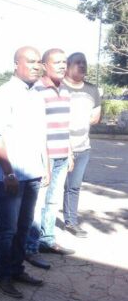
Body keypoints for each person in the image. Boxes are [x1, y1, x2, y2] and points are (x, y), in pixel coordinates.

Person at [0, 46, 48, 299]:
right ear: (16, 64)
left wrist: (43, 166)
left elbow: (39, 134)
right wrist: (8, 173)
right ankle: (3, 276)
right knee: (7, 229)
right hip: (10, 177)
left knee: (24, 226)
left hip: (32, 173)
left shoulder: (36, 95)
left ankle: (17, 268)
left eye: (38, 62)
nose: (36, 66)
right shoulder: (3, 94)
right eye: (30, 61)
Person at [24, 49, 76, 270]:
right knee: (36, 204)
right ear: (45, 65)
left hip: (62, 154)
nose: (63, 66)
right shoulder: (36, 91)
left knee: (53, 201)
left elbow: (65, 126)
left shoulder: (65, 90)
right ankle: (30, 247)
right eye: (57, 62)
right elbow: (37, 130)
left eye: (65, 62)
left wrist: (70, 151)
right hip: (45, 157)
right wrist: (44, 161)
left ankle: (48, 240)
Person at [62, 52, 101, 238]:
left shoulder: (92, 90)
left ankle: (71, 222)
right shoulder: (59, 86)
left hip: (83, 147)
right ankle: (41, 230)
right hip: (59, 146)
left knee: (74, 186)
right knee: (50, 188)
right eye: (78, 63)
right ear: (68, 66)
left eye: (84, 63)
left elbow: (95, 117)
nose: (82, 66)